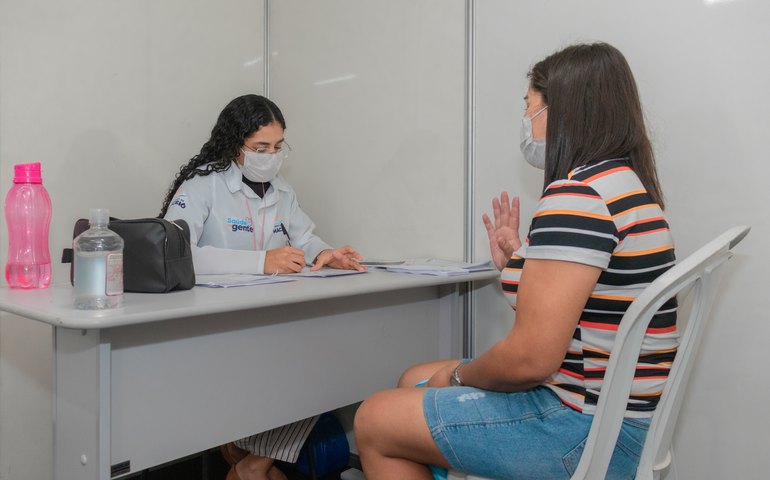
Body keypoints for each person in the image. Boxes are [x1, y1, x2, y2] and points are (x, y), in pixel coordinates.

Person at [353, 42, 678, 480]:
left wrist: (462, 375)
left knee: (374, 419)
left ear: (561, 111)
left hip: (582, 429)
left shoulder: (578, 197)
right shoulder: (627, 188)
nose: (526, 122)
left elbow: (531, 360)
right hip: (618, 419)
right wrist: (518, 266)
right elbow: (584, 315)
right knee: (415, 375)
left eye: (530, 107)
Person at [160, 94, 366, 480]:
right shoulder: (205, 184)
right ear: (234, 145)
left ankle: (251, 457)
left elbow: (304, 237)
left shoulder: (281, 189)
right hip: (214, 324)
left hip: (269, 319)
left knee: (331, 360)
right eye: (260, 148)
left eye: (277, 147)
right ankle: (253, 458)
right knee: (305, 367)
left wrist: (327, 253)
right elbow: (179, 253)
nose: (270, 156)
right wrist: (261, 262)